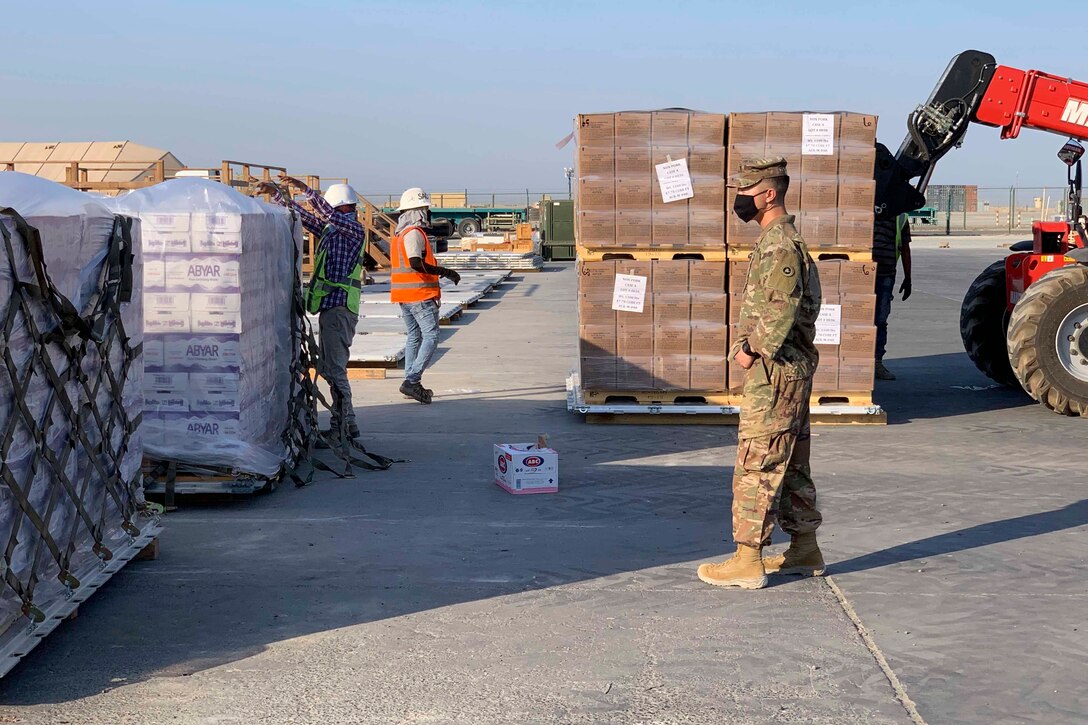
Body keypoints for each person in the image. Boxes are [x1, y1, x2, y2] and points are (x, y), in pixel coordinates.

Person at [697, 157, 825, 590]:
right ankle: (804, 548)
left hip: (775, 373)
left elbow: (780, 309)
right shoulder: (778, 240)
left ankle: (747, 559)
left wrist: (751, 350)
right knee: (789, 463)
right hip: (786, 372)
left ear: (769, 193)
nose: (740, 201)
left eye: (746, 192)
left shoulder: (780, 245)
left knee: (758, 461)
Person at [258, 175, 366, 446]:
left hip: (341, 309)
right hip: (330, 308)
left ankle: (345, 424)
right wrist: (279, 195)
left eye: (333, 207)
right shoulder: (333, 230)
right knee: (330, 367)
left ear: (343, 207)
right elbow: (307, 219)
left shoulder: (353, 229)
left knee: (335, 368)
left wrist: (305, 189)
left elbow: (326, 213)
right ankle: (346, 423)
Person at [390, 187, 460, 404]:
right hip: (419, 294)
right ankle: (412, 380)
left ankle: (411, 381)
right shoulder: (412, 234)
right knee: (431, 336)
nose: (427, 214)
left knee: (414, 336)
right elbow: (415, 263)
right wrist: (446, 272)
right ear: (417, 211)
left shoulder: (400, 234)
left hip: (405, 295)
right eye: (425, 209)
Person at [872, 212, 912, 380]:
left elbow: (904, 248)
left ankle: (877, 362)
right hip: (860, 273)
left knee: (880, 320)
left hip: (886, 274)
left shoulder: (901, 216)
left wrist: (908, 278)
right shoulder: (865, 208)